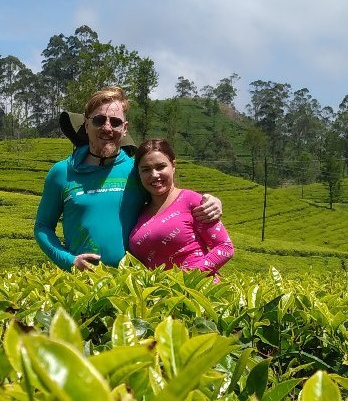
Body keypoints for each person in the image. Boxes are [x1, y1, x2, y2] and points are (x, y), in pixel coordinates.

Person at [34, 86, 222, 271]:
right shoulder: (62, 172)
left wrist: (210, 201)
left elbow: (172, 199)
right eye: (99, 120)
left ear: (124, 128)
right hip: (82, 283)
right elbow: (43, 227)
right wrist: (69, 261)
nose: (107, 127)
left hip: (133, 284)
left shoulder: (137, 170)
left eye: (115, 122)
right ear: (86, 124)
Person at [128, 138, 233, 275]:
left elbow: (225, 247)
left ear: (173, 166)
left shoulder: (192, 201)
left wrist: (187, 277)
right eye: (146, 169)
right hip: (161, 293)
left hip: (197, 289)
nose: (154, 175)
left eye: (160, 167)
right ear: (139, 173)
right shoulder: (140, 211)